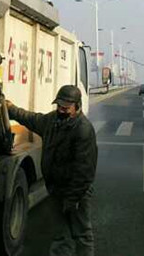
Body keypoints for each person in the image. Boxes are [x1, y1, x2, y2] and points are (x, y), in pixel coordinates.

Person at [6, 85, 98, 256]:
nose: (61, 110)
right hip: (56, 189)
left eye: (66, 108)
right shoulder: (52, 121)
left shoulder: (83, 130)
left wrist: (72, 200)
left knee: (82, 234)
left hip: (76, 193)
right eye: (59, 106)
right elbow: (31, 119)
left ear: (77, 107)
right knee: (60, 235)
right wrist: (11, 109)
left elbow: (85, 172)